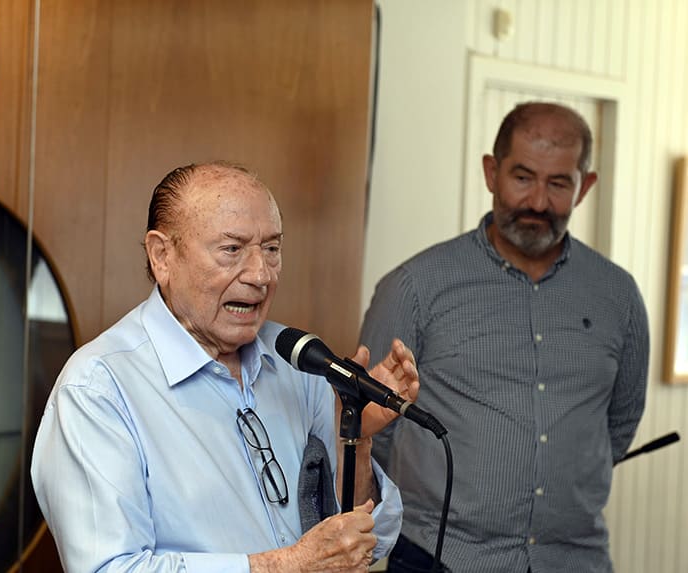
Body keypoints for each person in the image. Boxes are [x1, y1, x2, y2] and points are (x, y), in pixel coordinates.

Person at [31, 161, 421, 572]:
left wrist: (355, 436)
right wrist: (286, 566)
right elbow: (109, 569)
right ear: (162, 256)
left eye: (272, 249)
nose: (261, 275)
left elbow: (363, 538)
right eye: (232, 250)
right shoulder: (98, 388)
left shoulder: (298, 362)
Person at [360, 102, 649, 573]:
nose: (538, 201)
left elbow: (618, 423)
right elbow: (373, 428)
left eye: (559, 183)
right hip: (439, 557)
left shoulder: (617, 295)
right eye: (523, 177)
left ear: (585, 187)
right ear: (491, 172)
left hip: (574, 560)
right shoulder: (415, 286)